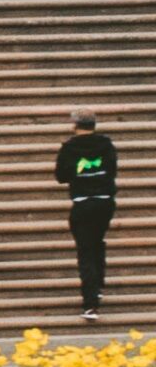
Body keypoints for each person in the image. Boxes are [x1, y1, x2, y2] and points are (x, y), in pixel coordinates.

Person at [56, 111, 120, 323]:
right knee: (97, 242)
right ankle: (98, 285)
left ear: (75, 124)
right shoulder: (106, 144)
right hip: (104, 202)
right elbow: (112, 170)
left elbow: (61, 176)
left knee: (85, 250)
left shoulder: (69, 147)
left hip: (83, 202)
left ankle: (90, 303)